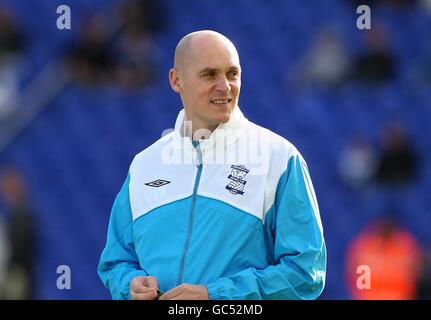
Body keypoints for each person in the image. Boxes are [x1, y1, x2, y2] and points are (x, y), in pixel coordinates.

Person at [97, 30, 326, 300]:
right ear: (176, 80)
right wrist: (130, 285)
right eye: (210, 74)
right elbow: (115, 261)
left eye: (232, 73)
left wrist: (217, 297)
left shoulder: (279, 158)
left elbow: (305, 274)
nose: (225, 86)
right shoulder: (144, 164)